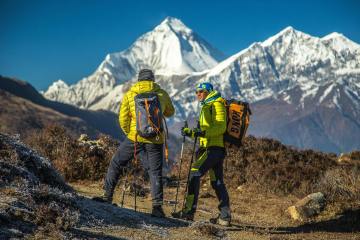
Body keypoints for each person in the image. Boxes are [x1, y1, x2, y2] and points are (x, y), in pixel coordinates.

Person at [93, 69, 175, 218]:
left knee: (116, 163)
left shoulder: (131, 94)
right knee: (155, 172)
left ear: (139, 80)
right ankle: (157, 208)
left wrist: (131, 134)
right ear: (152, 79)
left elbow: (123, 119)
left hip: (135, 138)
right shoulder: (161, 93)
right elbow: (170, 112)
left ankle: (107, 196)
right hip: (156, 139)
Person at [172, 82, 231, 226]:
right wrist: (190, 132)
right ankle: (225, 217)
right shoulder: (207, 104)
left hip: (212, 149)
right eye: (196, 91)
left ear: (208, 91)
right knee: (217, 182)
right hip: (213, 149)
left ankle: (188, 212)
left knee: (194, 173)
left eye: (201, 91)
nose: (197, 94)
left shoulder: (216, 104)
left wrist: (204, 132)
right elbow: (204, 131)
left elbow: (221, 127)